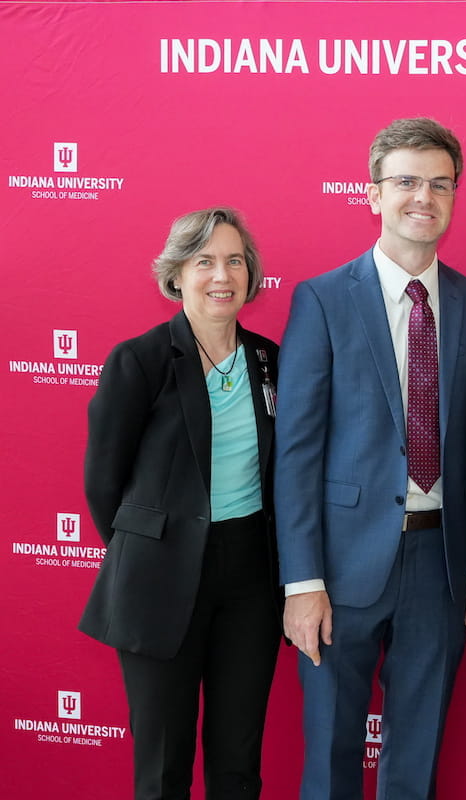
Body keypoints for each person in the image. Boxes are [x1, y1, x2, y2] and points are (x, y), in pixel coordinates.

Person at [273, 117, 466, 800]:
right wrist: (302, 581)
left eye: (439, 183)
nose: (422, 196)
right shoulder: (321, 299)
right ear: (373, 194)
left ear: (455, 196)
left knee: (416, 751)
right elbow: (297, 451)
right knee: (332, 749)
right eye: (405, 181)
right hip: (340, 566)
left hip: (440, 563)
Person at [79, 207, 282, 799]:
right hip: (158, 576)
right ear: (177, 275)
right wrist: (147, 549)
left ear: (250, 275)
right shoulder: (138, 361)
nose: (223, 275)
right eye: (205, 261)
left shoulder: (269, 358)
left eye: (235, 261)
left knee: (238, 760)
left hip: (249, 574)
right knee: (163, 766)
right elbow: (103, 483)